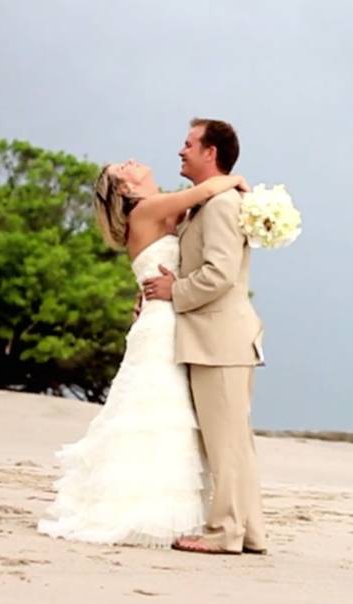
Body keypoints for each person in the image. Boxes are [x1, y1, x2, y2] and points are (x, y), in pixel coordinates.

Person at [37, 156, 249, 548]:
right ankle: (141, 511)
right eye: (124, 168)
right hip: (163, 325)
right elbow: (205, 191)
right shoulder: (149, 208)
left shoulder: (166, 208)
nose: (132, 162)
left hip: (170, 317)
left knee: (160, 413)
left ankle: (159, 509)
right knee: (156, 412)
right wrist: (237, 180)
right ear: (125, 190)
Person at [143, 118, 268, 555]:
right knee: (234, 440)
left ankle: (225, 532)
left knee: (225, 443)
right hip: (222, 338)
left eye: (189, 143)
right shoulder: (212, 201)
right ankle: (249, 531)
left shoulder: (219, 205)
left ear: (210, 152)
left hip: (221, 341)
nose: (181, 150)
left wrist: (172, 290)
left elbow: (219, 273)